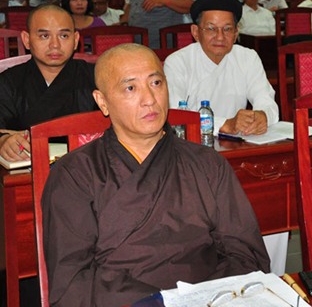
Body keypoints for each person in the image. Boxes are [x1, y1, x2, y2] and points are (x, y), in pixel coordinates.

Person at [42, 43, 270, 306]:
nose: (149, 99)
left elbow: (246, 254)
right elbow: (72, 283)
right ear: (102, 102)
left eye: (156, 83)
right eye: (131, 88)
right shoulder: (74, 175)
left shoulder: (208, 163)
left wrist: (204, 299)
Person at [164, 0, 279, 135]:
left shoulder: (247, 57)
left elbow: (266, 101)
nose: (220, 37)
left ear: (236, 33)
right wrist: (224, 124)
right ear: (195, 32)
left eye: (227, 29)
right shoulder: (177, 62)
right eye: (211, 29)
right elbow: (175, 113)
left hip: (237, 141)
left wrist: (263, 116)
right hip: (192, 141)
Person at [0, 5, 96, 162]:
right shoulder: (8, 82)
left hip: (86, 164)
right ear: (26, 40)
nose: (55, 45)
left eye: (64, 36)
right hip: (26, 168)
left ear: (75, 40)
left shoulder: (96, 77)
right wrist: (3, 141)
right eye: (44, 36)